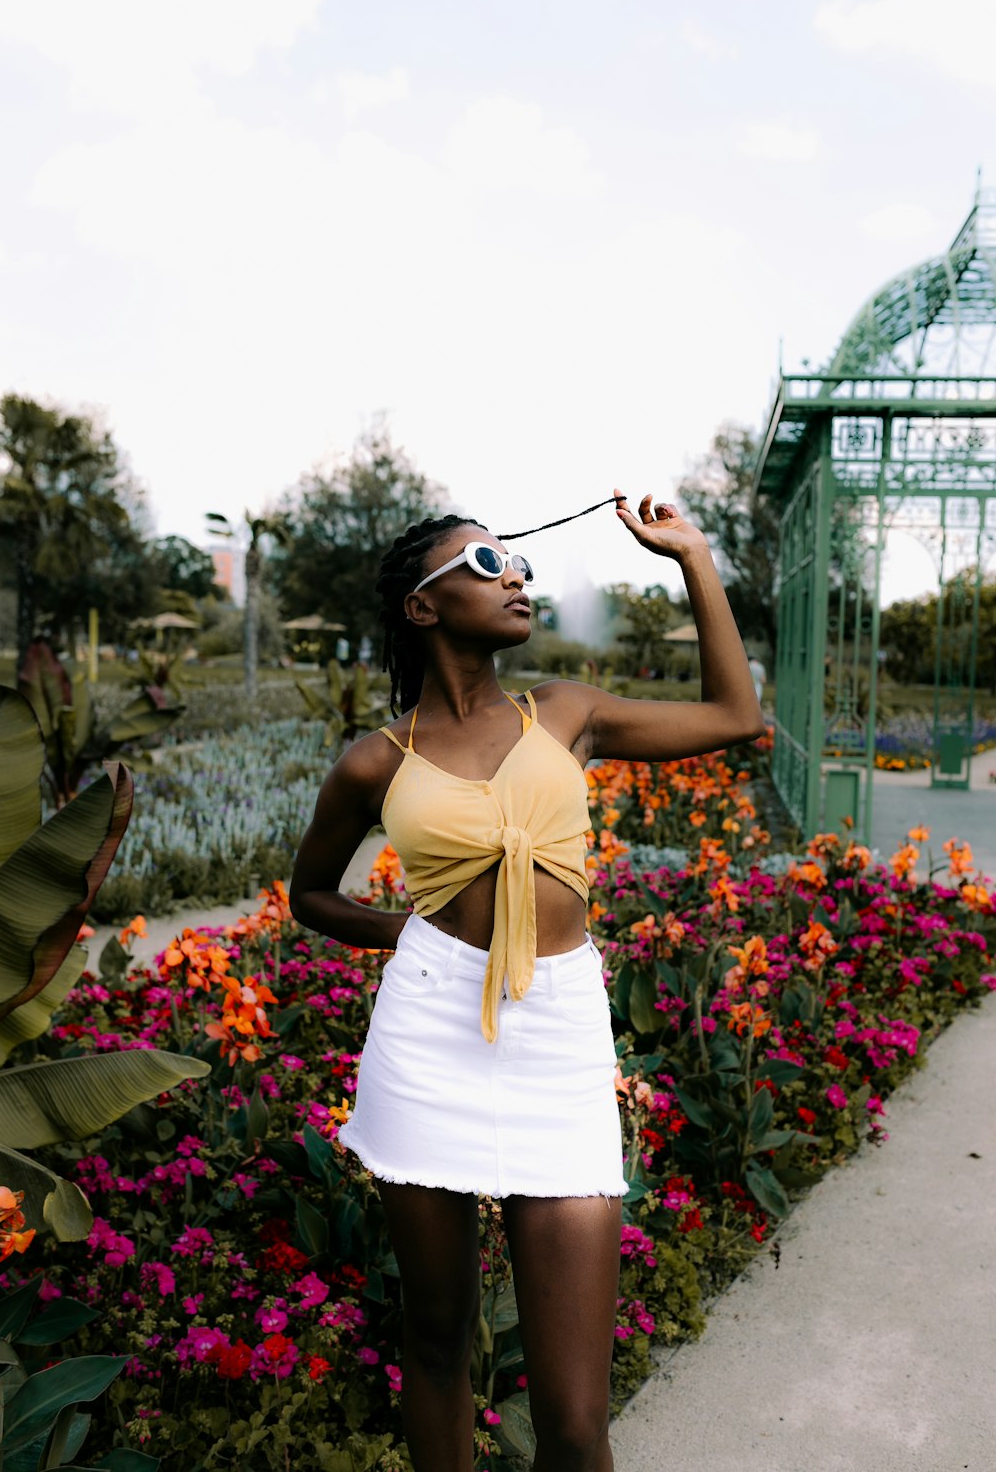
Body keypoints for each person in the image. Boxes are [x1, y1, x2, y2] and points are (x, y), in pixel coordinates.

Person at [289, 490, 764, 1471]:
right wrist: (409, 935)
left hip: (556, 1033)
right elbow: (309, 897)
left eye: (520, 566)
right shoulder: (376, 761)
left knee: (576, 1422)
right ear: (421, 607)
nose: (515, 576)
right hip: (429, 1036)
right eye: (485, 562)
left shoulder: (567, 713)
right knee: (437, 1340)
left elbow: (734, 715)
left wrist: (692, 557)